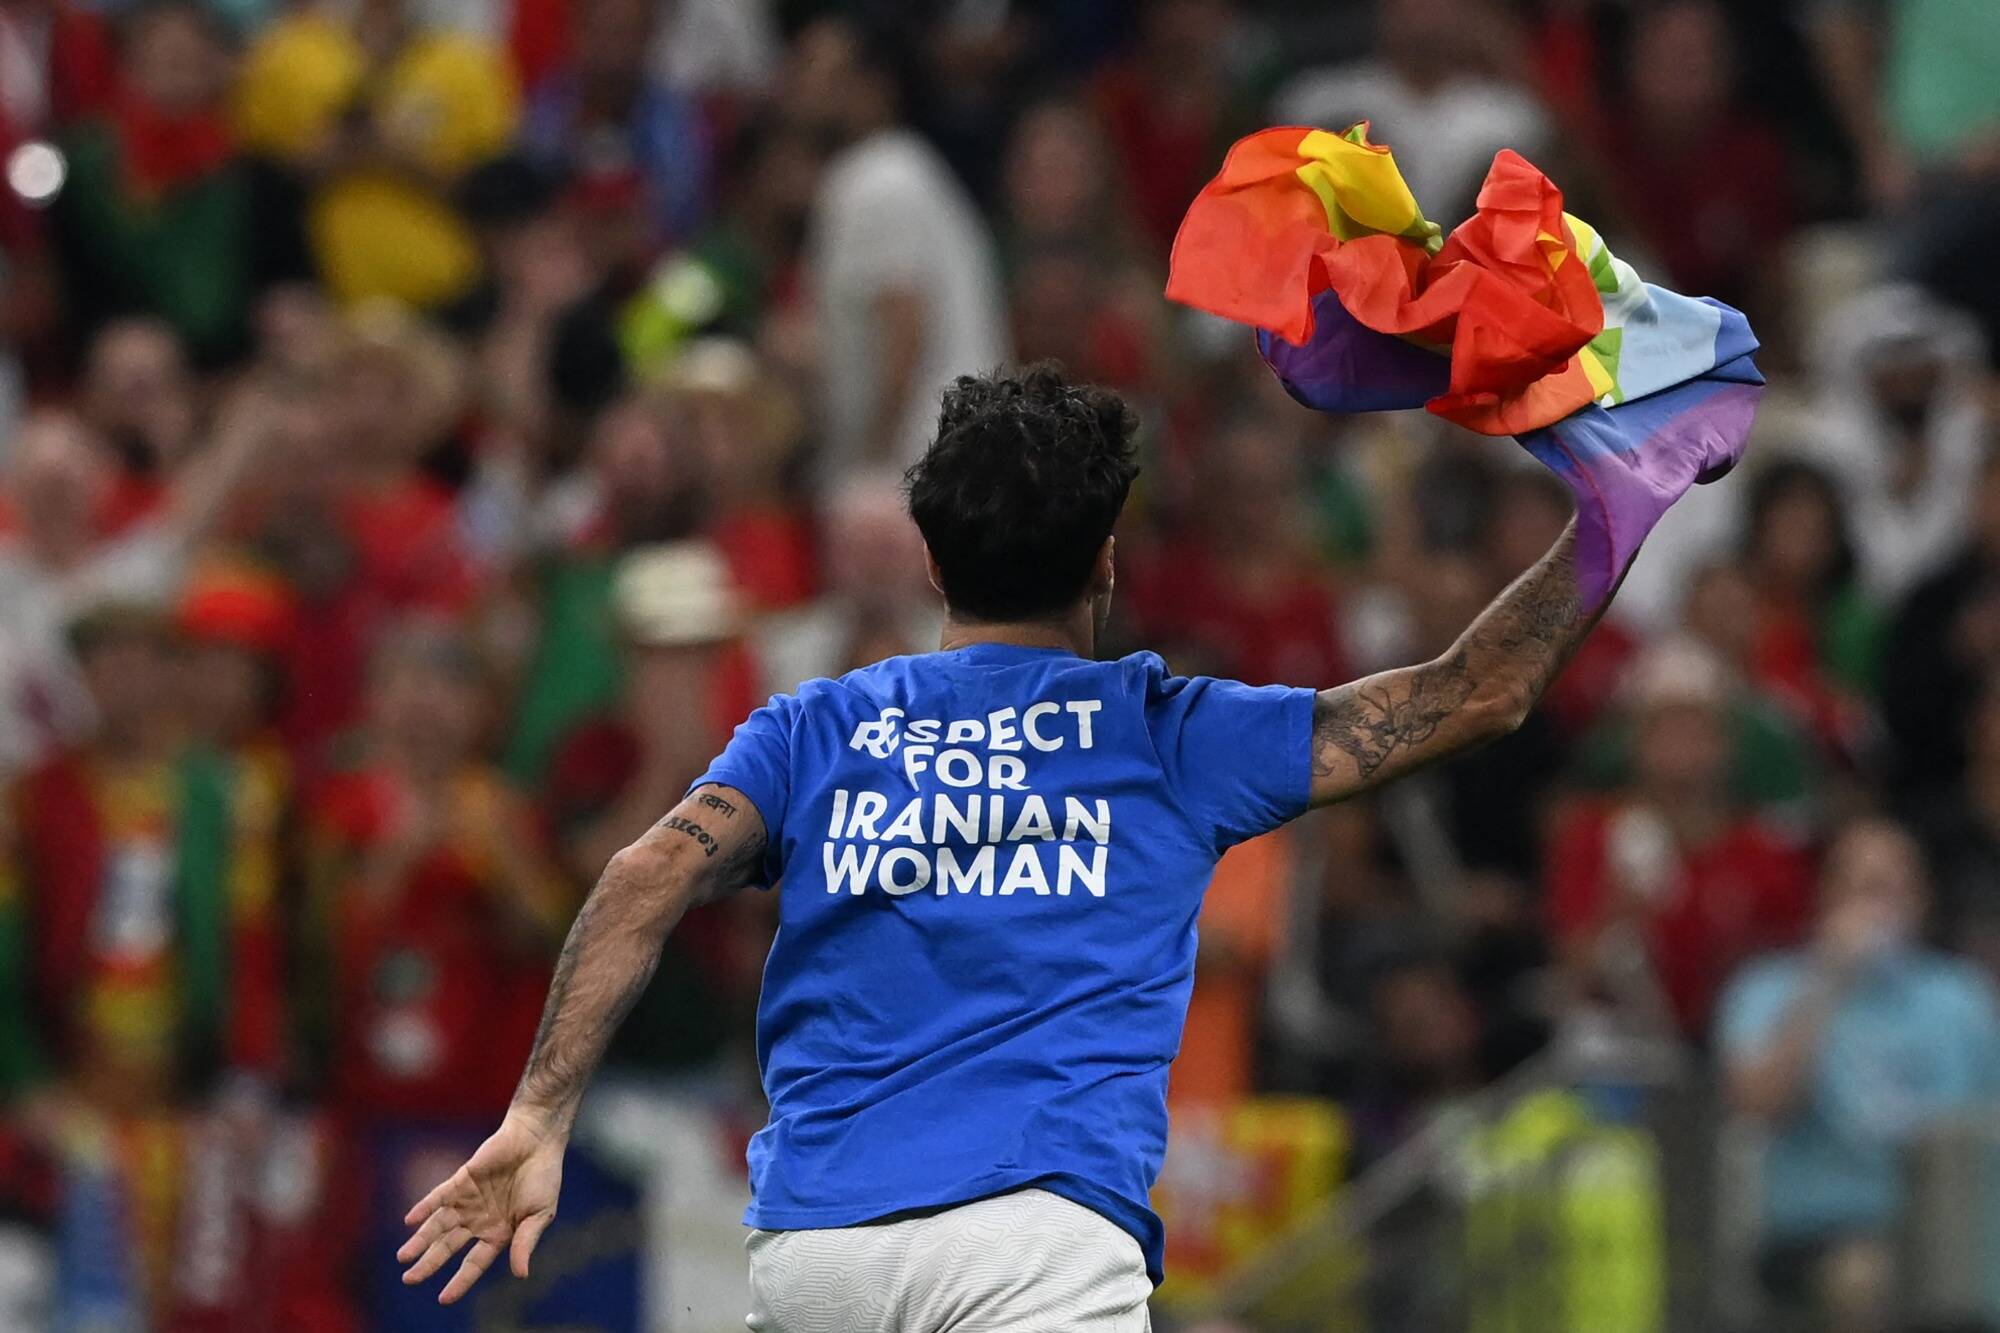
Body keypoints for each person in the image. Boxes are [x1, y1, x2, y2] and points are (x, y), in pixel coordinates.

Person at [394, 360, 1695, 1326]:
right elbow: (1477, 692)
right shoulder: (1172, 733)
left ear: (929, 559)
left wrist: (539, 1111)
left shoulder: (816, 733)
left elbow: (642, 873)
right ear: (1108, 566)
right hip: (1037, 1251)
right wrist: (1621, 501)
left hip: (818, 1256)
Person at [1718, 819, 2000, 1332]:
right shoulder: (1768, 988)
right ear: (1828, 896)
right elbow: (1756, 1104)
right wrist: (1828, 979)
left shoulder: (1962, 998)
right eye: (1863, 888)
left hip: (1948, 1231)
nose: (1879, 907)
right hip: (1818, 1231)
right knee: (1863, 1274)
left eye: (1895, 888)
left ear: (1923, 900)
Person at [784, 13, 1008, 478]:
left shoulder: (880, 180)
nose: (797, 82)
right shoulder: (902, 171)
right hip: (945, 471)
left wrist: (871, 472)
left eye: (816, 69)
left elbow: (904, 331)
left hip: (915, 475)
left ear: (873, 88)